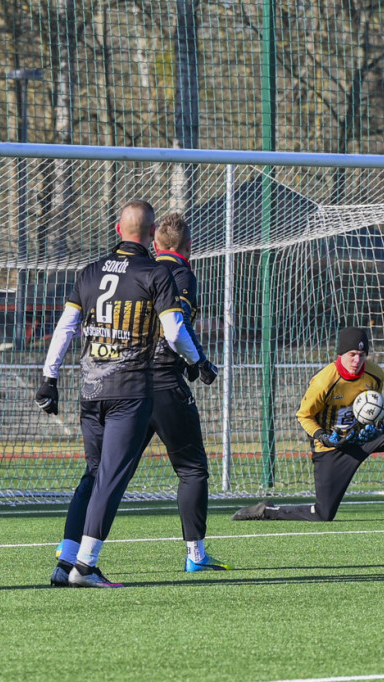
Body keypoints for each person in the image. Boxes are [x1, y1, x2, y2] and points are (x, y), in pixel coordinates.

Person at [35, 200, 207, 588]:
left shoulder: (89, 272)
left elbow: (64, 328)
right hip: (129, 390)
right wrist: (197, 363)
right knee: (111, 477)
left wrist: (49, 378)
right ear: (150, 235)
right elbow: (175, 331)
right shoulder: (156, 273)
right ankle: (86, 566)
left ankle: (65, 559)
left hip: (90, 388)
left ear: (117, 229)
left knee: (94, 474)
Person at [231, 327, 384, 523]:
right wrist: (322, 436)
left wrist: (371, 425)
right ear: (340, 354)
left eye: (361, 355)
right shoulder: (324, 381)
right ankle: (267, 510)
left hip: (362, 436)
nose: (357, 360)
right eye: (352, 354)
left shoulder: (375, 374)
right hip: (333, 446)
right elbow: (303, 415)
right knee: (323, 514)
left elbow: (371, 407)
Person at [143, 212, 228, 571]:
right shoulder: (181, 274)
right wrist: (200, 363)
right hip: (164, 381)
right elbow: (176, 329)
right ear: (188, 246)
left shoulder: (138, 270)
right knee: (192, 470)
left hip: (125, 381)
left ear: (154, 242)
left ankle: (73, 547)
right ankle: (196, 555)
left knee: (108, 470)